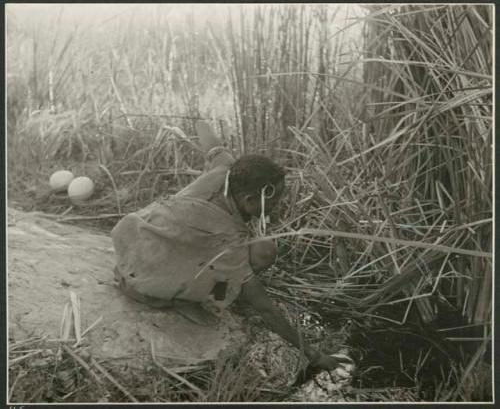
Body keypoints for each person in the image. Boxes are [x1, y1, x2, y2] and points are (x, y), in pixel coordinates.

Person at [111, 121, 350, 371]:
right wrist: (314, 355)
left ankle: (213, 284)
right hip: (143, 285)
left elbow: (211, 142)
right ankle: (219, 295)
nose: (276, 207)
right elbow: (266, 309)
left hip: (137, 249)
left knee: (258, 248)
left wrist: (201, 121)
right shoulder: (226, 239)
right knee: (263, 252)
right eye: (274, 200)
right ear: (249, 200)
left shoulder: (228, 170)